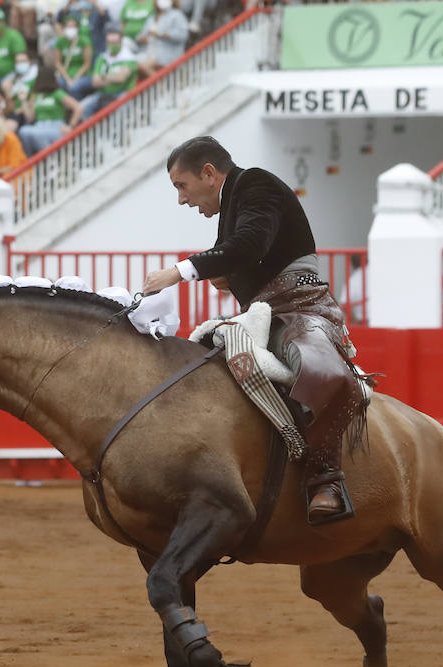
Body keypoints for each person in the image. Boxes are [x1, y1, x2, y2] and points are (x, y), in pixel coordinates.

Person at [140, 136, 366, 525]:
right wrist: (235, 277)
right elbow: (249, 252)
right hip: (260, 312)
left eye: (182, 186)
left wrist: (178, 272)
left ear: (209, 173)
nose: (182, 199)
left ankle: (325, 478)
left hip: (298, 308)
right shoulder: (236, 201)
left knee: (320, 370)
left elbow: (249, 244)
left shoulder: (255, 184)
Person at [17, 64, 82, 155]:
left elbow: (78, 107)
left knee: (38, 134)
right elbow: (30, 118)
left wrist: (71, 126)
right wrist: (23, 101)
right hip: (39, 126)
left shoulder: (57, 93)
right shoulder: (36, 96)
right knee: (23, 131)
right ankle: (29, 160)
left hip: (55, 126)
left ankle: (51, 159)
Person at [82, 26, 137, 119]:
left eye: (115, 42)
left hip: (123, 93)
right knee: (82, 108)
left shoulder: (128, 57)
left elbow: (121, 78)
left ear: (120, 42)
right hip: (103, 93)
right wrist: (112, 77)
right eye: (110, 43)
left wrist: (103, 77)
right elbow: (95, 82)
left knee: (118, 112)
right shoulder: (102, 58)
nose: (112, 45)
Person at [137, 0, 188, 78]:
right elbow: (141, 34)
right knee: (133, 65)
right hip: (149, 51)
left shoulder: (177, 14)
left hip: (168, 53)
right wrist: (142, 38)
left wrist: (161, 34)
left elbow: (183, 35)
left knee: (144, 67)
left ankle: (164, 86)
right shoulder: (152, 17)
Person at [54, 17, 95, 98]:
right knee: (57, 83)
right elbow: (58, 63)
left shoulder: (84, 40)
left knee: (74, 87)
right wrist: (67, 79)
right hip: (66, 73)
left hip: (83, 74)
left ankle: (77, 106)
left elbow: (87, 64)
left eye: (73, 26)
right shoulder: (60, 41)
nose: (70, 29)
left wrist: (75, 79)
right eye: (68, 27)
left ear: (78, 28)